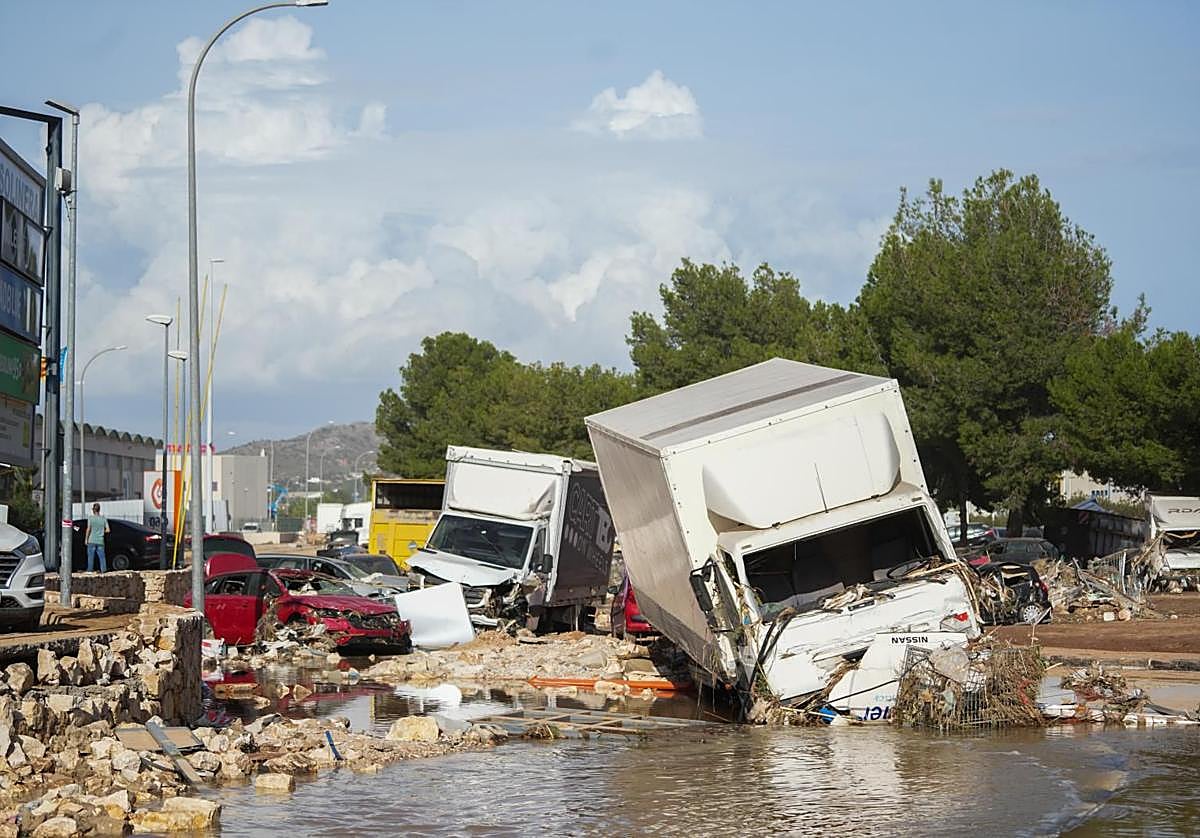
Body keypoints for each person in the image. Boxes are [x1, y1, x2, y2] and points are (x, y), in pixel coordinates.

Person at [85, 503, 110, 573]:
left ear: (93, 510)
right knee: (102, 557)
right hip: (100, 540)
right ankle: (103, 570)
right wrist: (102, 531)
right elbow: (108, 530)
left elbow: (88, 529)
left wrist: (86, 539)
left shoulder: (90, 518)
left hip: (91, 540)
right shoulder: (103, 518)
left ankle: (90, 570)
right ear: (99, 510)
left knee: (90, 556)